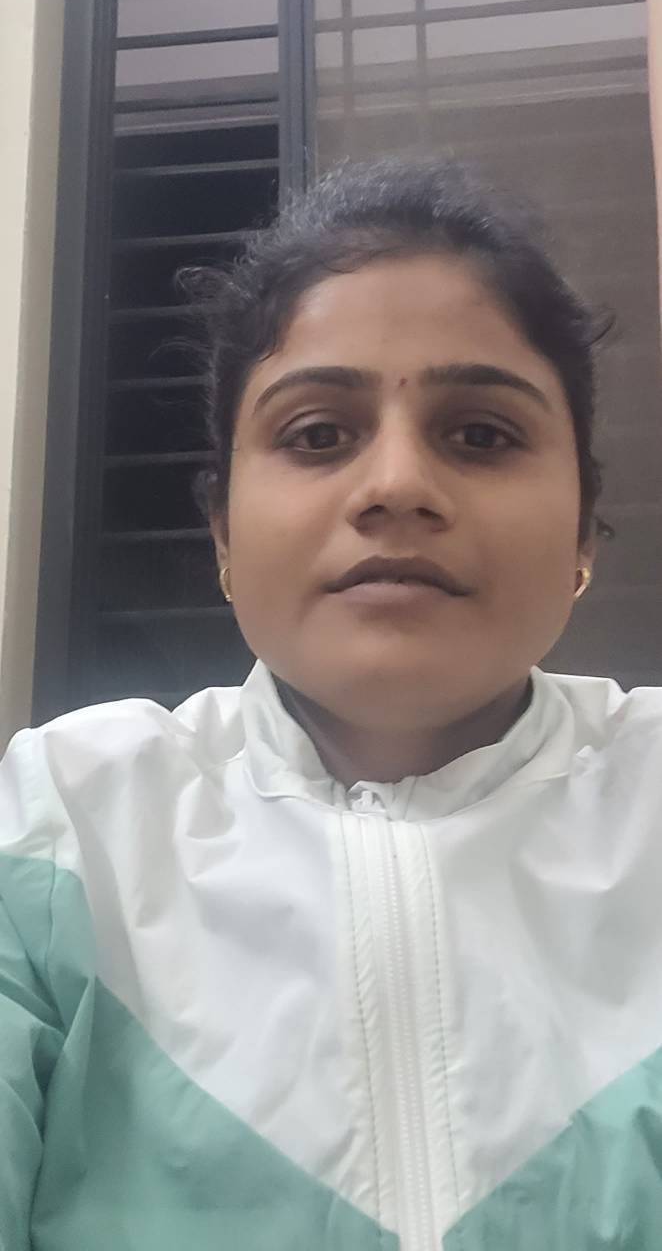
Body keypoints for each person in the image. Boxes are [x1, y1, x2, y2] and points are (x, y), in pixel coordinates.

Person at [1, 156, 661, 1251]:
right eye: (316, 434)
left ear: (583, 530)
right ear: (223, 534)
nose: (395, 484)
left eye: (480, 434)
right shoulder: (60, 824)